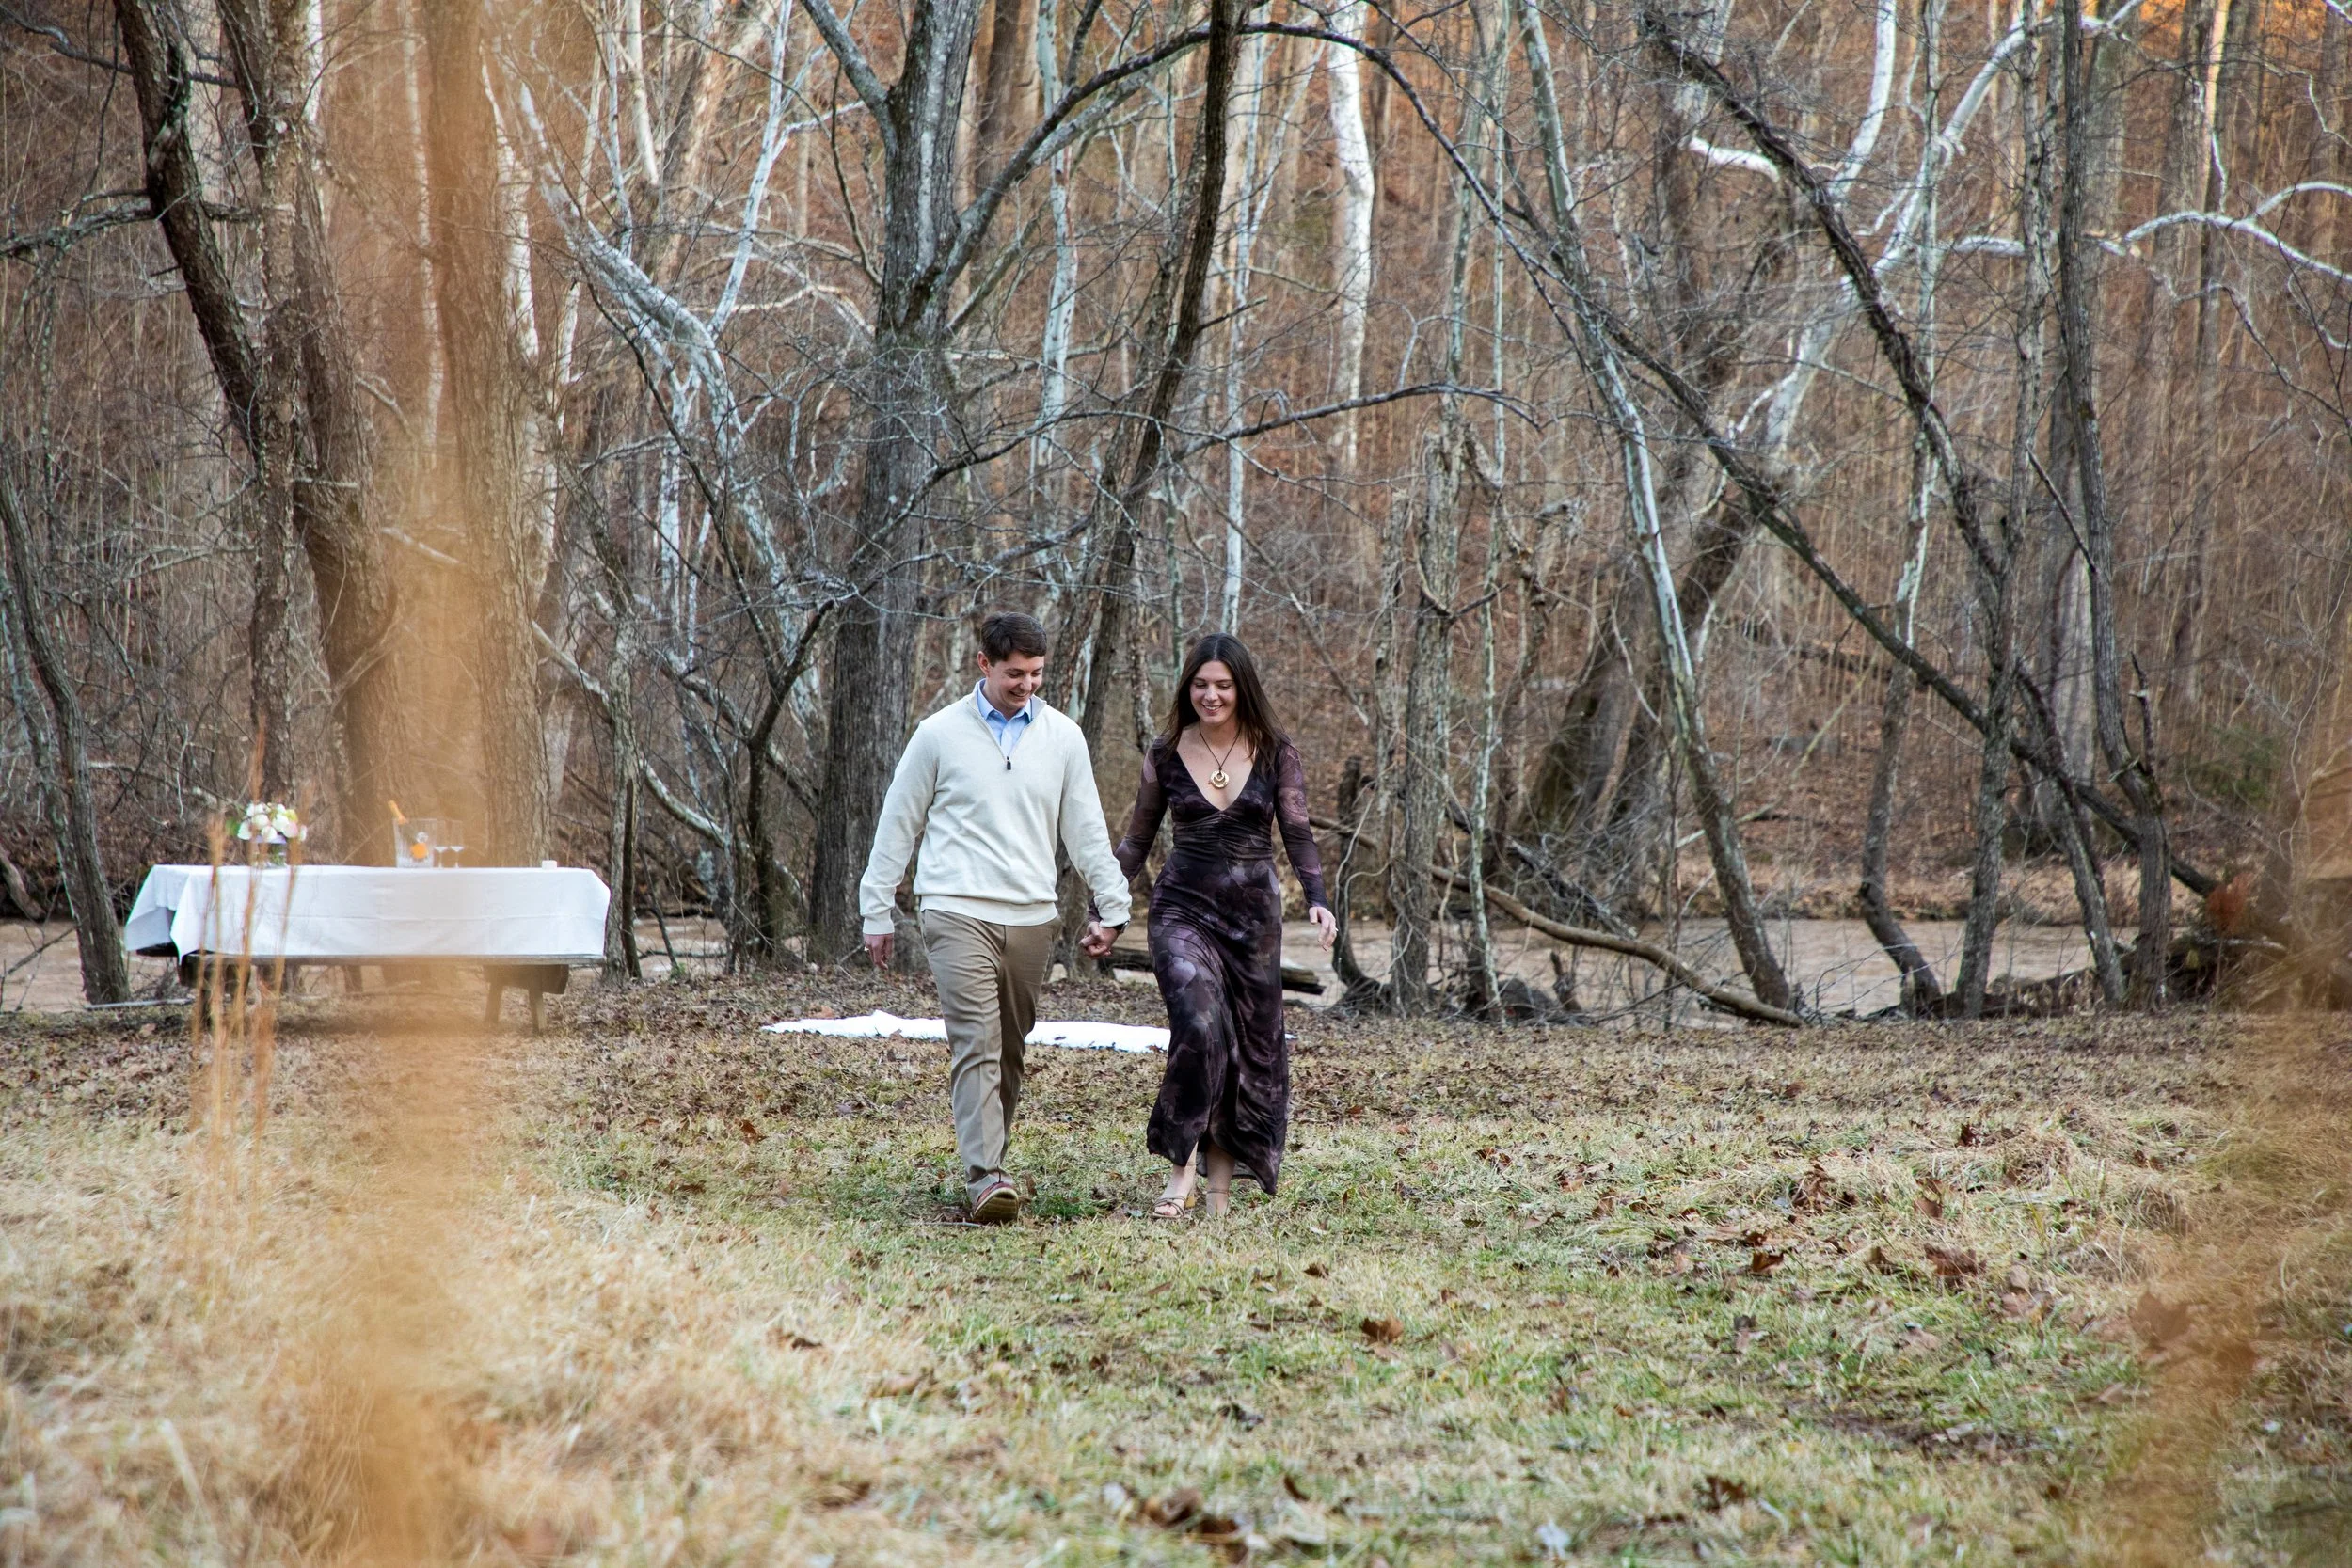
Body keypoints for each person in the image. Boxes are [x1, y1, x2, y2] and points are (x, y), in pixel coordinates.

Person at [859, 612, 1132, 1224]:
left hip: (1032, 916)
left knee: (1009, 1047)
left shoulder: (1063, 737)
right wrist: (876, 906)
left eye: (1036, 674)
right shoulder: (938, 734)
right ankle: (985, 1174)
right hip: (955, 908)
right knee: (976, 1040)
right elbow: (898, 822)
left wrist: (1112, 905)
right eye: (1014, 673)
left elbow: (1086, 830)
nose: (1027, 684)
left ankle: (992, 1164)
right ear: (984, 664)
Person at [1114, 633, 1335, 1218]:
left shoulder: (1275, 751)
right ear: (1188, 688)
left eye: (1223, 686)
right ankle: (1181, 1168)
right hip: (1182, 907)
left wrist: (1317, 897)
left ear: (1242, 689)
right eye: (1201, 685)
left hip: (1252, 921)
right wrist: (1104, 909)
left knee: (1247, 1048)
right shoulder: (1166, 752)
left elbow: (1298, 832)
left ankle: (1219, 1191)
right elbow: (1136, 839)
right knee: (1198, 1022)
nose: (1211, 696)